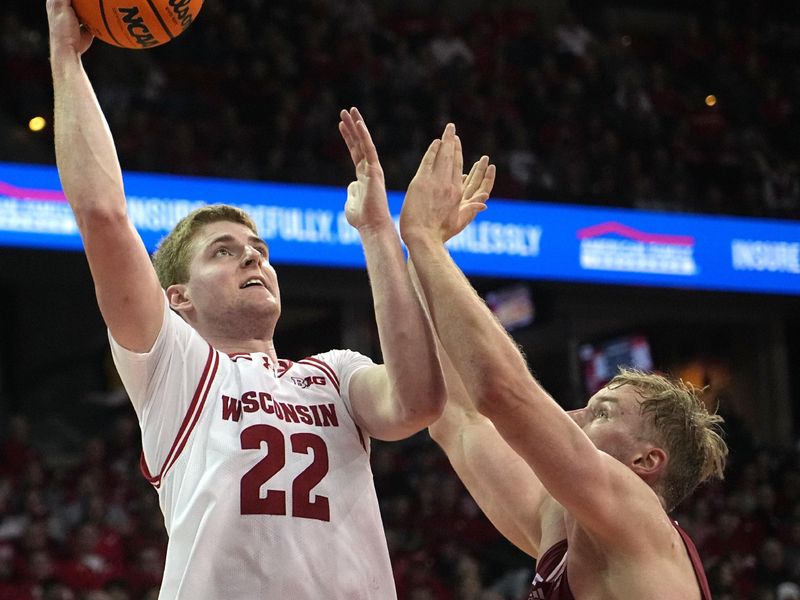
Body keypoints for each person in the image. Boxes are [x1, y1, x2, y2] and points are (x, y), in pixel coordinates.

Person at [46, 0, 461, 596]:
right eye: (223, 250)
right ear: (178, 298)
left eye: (258, 248)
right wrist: (66, 60)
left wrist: (377, 231)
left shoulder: (334, 375)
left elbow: (418, 402)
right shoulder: (176, 370)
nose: (253, 257)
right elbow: (104, 216)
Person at [400, 130, 728, 599]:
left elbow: (501, 392)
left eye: (603, 413)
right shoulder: (560, 524)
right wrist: (424, 257)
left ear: (646, 461)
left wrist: (426, 242)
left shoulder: (637, 516)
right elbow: (458, 417)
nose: (575, 416)